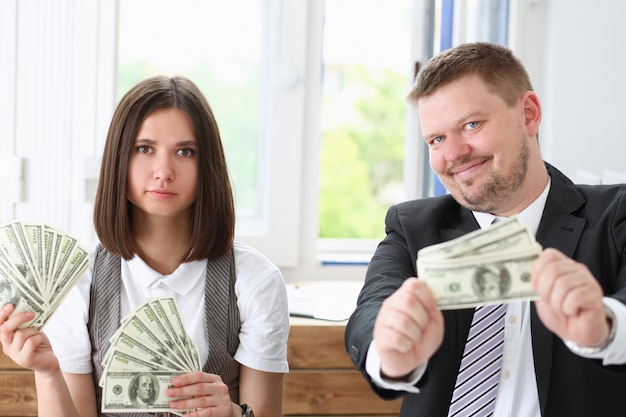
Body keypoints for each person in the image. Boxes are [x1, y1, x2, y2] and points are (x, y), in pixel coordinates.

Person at [344, 42, 626, 416]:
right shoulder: (411, 228)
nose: (454, 153)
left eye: (471, 124)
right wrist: (390, 350)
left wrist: (604, 326)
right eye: (437, 139)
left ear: (528, 114)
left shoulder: (615, 215)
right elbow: (370, 311)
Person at [0, 75, 289, 417]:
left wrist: (232, 414)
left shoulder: (255, 280)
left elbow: (265, 411)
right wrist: (48, 374)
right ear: (119, 161)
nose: (163, 171)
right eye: (144, 149)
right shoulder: (78, 283)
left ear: (207, 166)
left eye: (185, 151)